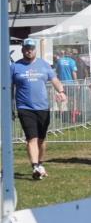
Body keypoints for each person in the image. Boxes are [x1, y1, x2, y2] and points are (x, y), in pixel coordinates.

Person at [11, 39, 67, 179]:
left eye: (31, 48)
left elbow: (54, 80)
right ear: (22, 49)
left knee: (41, 139)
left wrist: (61, 91)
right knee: (32, 138)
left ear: (35, 49)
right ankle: (35, 166)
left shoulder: (44, 64)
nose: (29, 50)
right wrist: (9, 105)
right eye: (26, 48)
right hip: (24, 107)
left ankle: (40, 163)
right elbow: (8, 87)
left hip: (43, 107)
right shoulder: (15, 67)